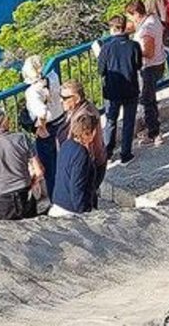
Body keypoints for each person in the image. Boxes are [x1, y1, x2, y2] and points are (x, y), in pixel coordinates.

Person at [0, 108, 42, 222]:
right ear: (6, 122)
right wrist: (32, 183)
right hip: (25, 197)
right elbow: (39, 171)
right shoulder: (22, 138)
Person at [96, 15, 142, 164]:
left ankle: (108, 152)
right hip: (131, 89)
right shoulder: (134, 46)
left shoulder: (106, 47)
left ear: (113, 29)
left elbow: (100, 70)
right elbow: (138, 65)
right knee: (129, 122)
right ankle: (126, 153)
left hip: (112, 91)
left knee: (110, 121)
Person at [56, 79, 107, 207]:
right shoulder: (76, 110)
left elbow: (86, 143)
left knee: (85, 197)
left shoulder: (84, 117)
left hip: (88, 163)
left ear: (77, 98)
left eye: (65, 97)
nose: (61, 100)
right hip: (87, 161)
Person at [126, 0, 166, 146]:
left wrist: (132, 50)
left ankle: (154, 132)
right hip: (159, 62)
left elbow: (148, 52)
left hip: (149, 67)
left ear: (136, 13)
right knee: (151, 98)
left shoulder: (146, 30)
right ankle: (154, 126)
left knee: (147, 100)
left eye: (131, 16)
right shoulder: (153, 18)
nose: (130, 19)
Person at [49, 109, 101, 217]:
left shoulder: (66, 144)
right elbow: (77, 186)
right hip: (70, 211)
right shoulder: (81, 154)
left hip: (58, 203)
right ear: (89, 133)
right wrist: (84, 214)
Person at [22, 55, 64, 184]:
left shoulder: (32, 92)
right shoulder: (53, 77)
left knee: (50, 167)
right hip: (61, 120)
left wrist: (41, 128)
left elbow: (42, 112)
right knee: (63, 159)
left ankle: (55, 197)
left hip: (48, 127)